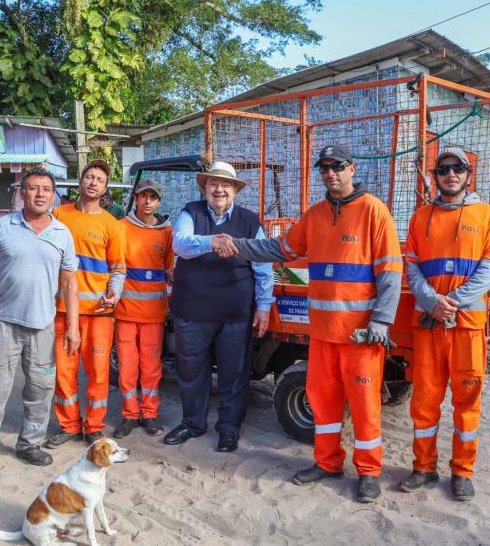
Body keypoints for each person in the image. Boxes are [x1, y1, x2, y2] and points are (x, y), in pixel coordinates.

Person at [217, 144, 403, 503]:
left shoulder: (374, 212)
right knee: (323, 403)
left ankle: (368, 472)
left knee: (365, 406)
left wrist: (382, 319)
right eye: (324, 168)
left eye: (337, 167)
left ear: (352, 168)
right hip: (323, 334)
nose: (330, 174)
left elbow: (390, 272)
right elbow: (281, 249)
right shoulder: (315, 214)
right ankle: (327, 462)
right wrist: (237, 246)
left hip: (360, 336)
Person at [398, 148, 490, 502]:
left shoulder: (488, 215)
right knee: (424, 402)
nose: (450, 174)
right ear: (435, 176)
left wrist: (451, 302)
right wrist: (432, 302)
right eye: (443, 169)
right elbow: (410, 266)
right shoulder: (420, 218)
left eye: (457, 168)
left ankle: (462, 471)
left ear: (468, 174)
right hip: (429, 326)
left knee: (467, 400)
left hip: (467, 327)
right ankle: (423, 468)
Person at [0, 167, 81, 476]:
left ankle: (30, 443)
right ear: (22, 193)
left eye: (46, 188)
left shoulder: (62, 234)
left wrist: (73, 327)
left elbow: (70, 284)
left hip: (43, 326)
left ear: (54, 194)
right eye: (33, 188)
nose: (40, 193)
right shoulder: (1, 228)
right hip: (3, 323)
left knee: (41, 389)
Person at [164, 160, 275, 453]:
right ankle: (193, 423)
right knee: (191, 371)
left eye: (226, 184)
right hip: (192, 310)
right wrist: (212, 241)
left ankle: (228, 428)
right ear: (205, 188)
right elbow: (181, 245)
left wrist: (263, 306)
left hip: (235, 311)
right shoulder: (191, 212)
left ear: (235, 190)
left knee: (234, 372)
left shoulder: (250, 222)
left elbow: (263, 265)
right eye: (213, 184)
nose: (219, 189)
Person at [45, 159, 126, 448]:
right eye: (89, 177)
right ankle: (68, 426)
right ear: (80, 181)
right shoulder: (58, 215)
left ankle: (93, 426)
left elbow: (118, 269)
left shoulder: (111, 225)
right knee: (64, 372)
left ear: (105, 189)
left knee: (98, 372)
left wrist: (114, 293)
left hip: (98, 314)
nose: (93, 182)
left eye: (99, 180)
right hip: (64, 310)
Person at [112, 179, 174, 438]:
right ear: (136, 199)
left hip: (153, 317)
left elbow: (170, 272)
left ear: (158, 201)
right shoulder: (120, 228)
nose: (148, 201)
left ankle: (149, 414)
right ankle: (129, 415)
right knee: (127, 367)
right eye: (143, 196)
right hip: (125, 313)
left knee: (151, 368)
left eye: (153, 197)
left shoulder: (167, 232)